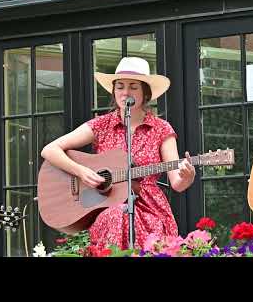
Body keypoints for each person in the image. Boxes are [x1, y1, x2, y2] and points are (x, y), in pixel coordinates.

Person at [41, 56, 196, 250]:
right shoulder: (101, 124)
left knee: (139, 223)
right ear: (114, 91)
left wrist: (187, 177)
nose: (125, 92)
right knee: (116, 215)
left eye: (133, 86)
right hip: (108, 208)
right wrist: (81, 172)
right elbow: (49, 150)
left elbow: (177, 183)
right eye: (120, 86)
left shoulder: (161, 129)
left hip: (149, 209)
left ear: (145, 93)